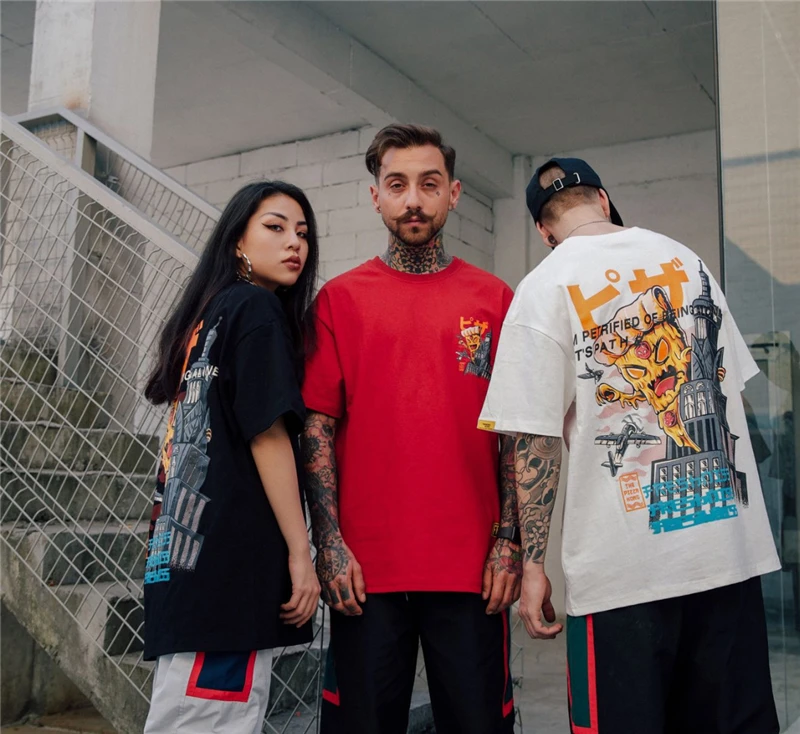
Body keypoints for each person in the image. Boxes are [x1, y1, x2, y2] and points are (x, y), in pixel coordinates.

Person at [479, 158, 782, 733]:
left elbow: (535, 442)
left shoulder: (542, 286)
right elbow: (731, 388)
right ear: (604, 198)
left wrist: (534, 566)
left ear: (543, 230)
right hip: (729, 558)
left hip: (622, 578)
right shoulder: (687, 261)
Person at [302, 124, 520, 734]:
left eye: (429, 184)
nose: (413, 200)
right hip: (365, 573)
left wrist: (510, 540)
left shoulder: (494, 299)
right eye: (397, 185)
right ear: (377, 197)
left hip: (474, 571)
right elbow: (316, 429)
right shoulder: (339, 300)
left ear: (454, 193)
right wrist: (329, 544)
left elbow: (515, 435)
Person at [142, 181, 321, 733]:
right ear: (237, 239)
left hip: (184, 563)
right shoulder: (255, 308)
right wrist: (300, 552)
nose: (294, 243)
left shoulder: (208, 317)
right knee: (213, 720)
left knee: (184, 715)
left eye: (302, 233)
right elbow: (267, 436)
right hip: (226, 571)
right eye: (275, 227)